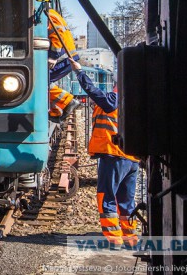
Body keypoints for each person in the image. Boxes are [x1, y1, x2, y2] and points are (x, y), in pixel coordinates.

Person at [70, 58, 140, 246]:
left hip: (114, 155)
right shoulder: (135, 101)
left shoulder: (115, 99)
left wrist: (79, 73)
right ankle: (130, 238)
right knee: (126, 200)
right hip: (132, 159)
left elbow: (94, 92)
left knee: (106, 196)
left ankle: (113, 238)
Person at [47, 8, 80, 122]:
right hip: (66, 57)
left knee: (38, 81)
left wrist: (53, 56)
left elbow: (58, 33)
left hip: (63, 57)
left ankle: (67, 101)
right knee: (43, 82)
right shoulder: (50, 13)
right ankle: (56, 111)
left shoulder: (48, 14)